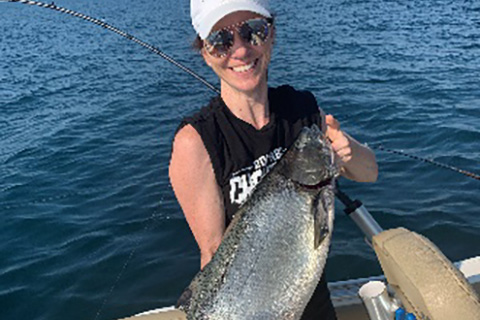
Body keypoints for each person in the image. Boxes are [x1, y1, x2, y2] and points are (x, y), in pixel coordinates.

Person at [169, 0, 378, 318]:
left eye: (253, 31)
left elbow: (369, 173)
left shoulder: (301, 110)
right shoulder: (195, 141)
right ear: (205, 52)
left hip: (314, 304)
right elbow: (212, 254)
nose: (239, 51)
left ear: (271, 35)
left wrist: (348, 148)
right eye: (221, 40)